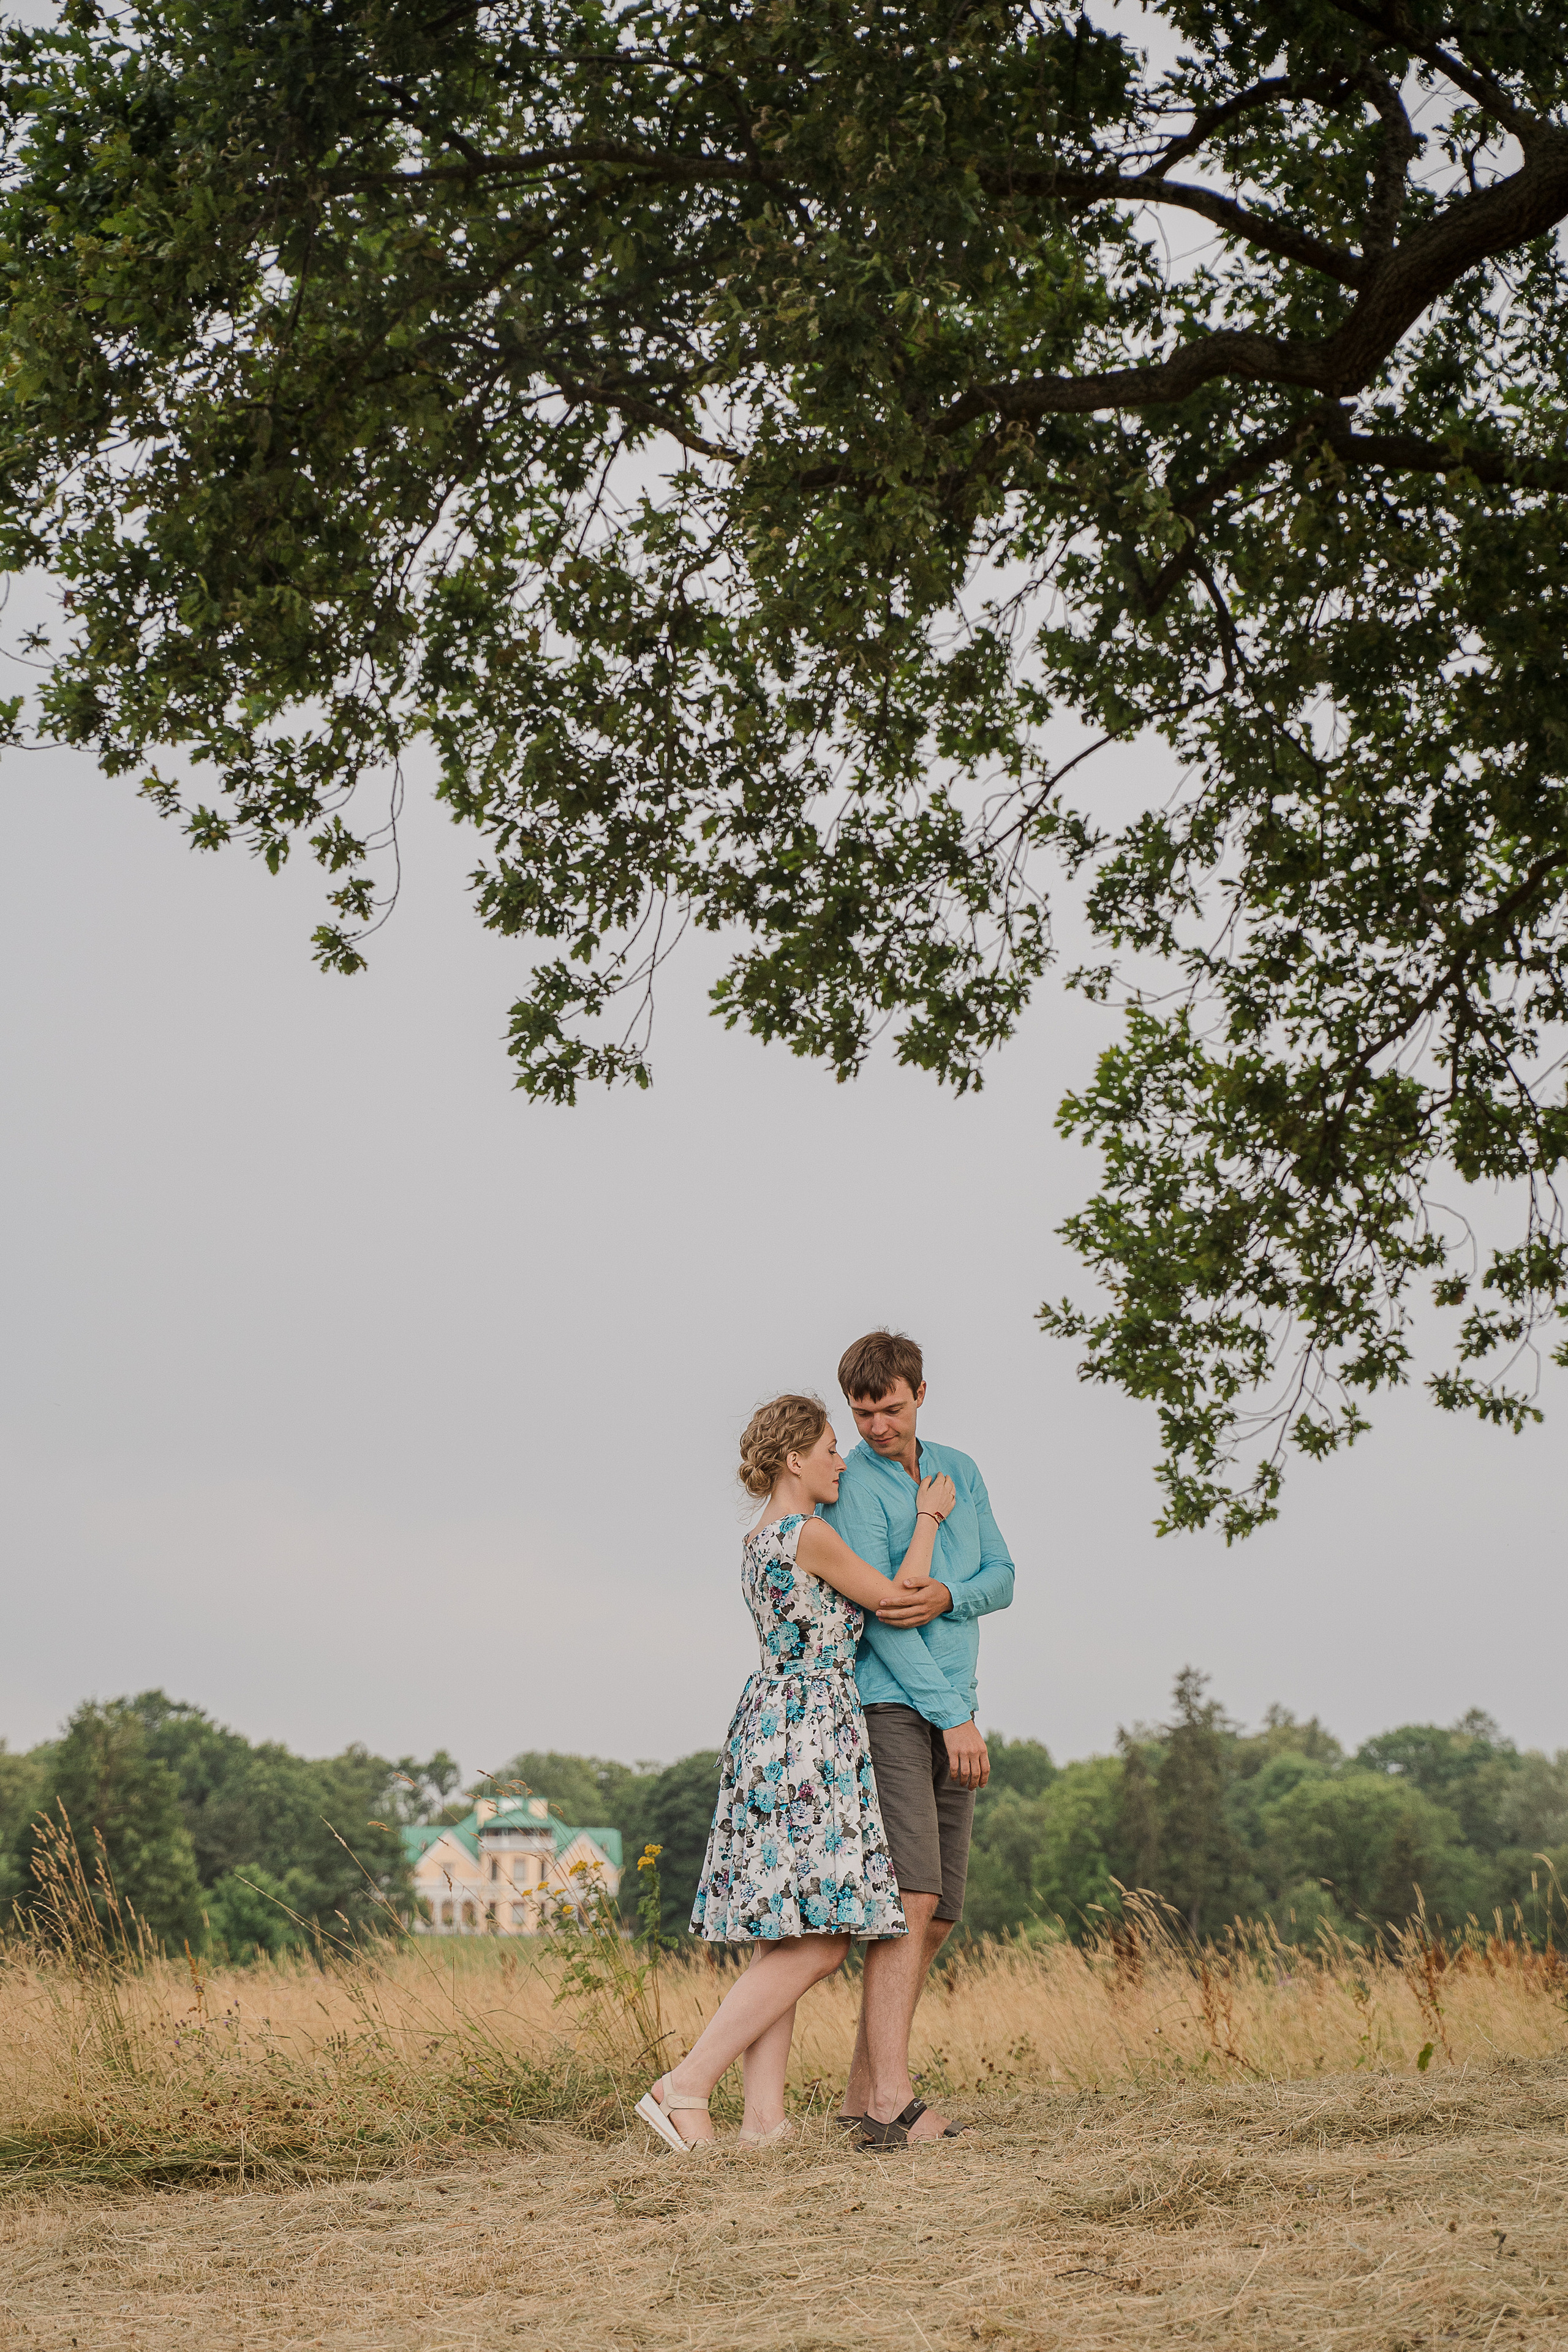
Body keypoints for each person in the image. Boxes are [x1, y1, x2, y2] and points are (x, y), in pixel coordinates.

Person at [635, 1392, 957, 2151]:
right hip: (812, 1731)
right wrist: (928, 1518)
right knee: (823, 1941)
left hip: (772, 1724)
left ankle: (764, 2121)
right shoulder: (807, 1534)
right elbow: (894, 1600)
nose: (841, 1461)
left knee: (782, 1935)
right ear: (794, 1460)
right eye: (829, 1449)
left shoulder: (756, 1540)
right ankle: (685, 2083)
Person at [823, 1329, 1015, 2150]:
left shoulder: (960, 1472)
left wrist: (948, 1597)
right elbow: (883, 1622)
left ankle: (863, 2092)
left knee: (941, 1913)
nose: (875, 1427)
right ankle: (892, 2105)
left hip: (954, 1701)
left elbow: (1002, 1578)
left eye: (890, 1408)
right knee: (911, 1900)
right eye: (862, 1412)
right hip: (896, 1706)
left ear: (920, 1394)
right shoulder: (853, 1490)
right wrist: (953, 1716)